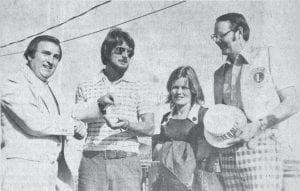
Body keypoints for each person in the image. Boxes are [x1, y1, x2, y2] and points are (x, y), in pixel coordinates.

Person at [211, 13, 299, 191]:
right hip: (228, 155)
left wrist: (258, 125)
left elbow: (293, 102)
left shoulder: (267, 56)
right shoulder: (219, 73)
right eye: (215, 37)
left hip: (261, 149)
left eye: (221, 36)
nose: (217, 41)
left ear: (239, 32)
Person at [73, 28, 155, 191]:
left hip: (127, 163)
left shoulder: (140, 87)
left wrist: (126, 123)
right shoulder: (85, 86)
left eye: (129, 53)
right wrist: (78, 128)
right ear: (106, 51)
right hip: (92, 162)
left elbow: (150, 127)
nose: (125, 56)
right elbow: (78, 122)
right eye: (119, 50)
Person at [0, 35, 86, 191]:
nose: (51, 61)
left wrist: (80, 125)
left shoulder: (53, 90)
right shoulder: (12, 84)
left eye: (56, 56)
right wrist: (72, 126)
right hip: (21, 178)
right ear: (30, 55)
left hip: (51, 178)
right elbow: (34, 122)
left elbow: (70, 114)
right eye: (46, 53)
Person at [152, 66, 223, 191]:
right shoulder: (166, 118)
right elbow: (159, 149)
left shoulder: (203, 115)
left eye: (184, 88)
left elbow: (216, 145)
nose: (179, 92)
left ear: (193, 90)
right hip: (171, 181)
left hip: (199, 180)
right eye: (175, 87)